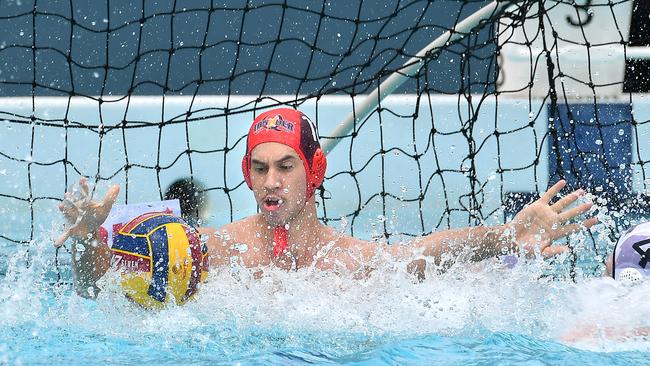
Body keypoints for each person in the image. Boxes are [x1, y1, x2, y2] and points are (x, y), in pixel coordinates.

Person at [55, 108, 597, 298]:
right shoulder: (216, 252)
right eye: (261, 168)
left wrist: (506, 236)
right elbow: (103, 292)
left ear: (312, 172)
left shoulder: (351, 262)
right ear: (248, 176)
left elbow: (424, 253)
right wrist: (87, 243)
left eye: (285, 167)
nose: (272, 182)